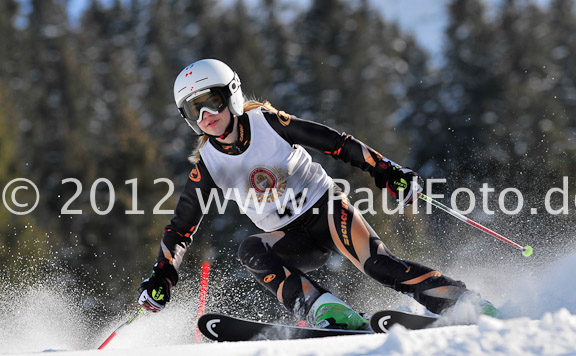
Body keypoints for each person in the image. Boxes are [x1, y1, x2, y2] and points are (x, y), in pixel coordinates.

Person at [137, 59, 496, 330]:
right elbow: (181, 228)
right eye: (192, 110)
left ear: (231, 95)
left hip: (326, 211)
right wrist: (162, 276)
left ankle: (464, 302)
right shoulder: (209, 164)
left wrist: (387, 172)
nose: (205, 115)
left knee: (379, 265)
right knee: (250, 249)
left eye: (211, 102)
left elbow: (337, 144)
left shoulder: (268, 123)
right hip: (291, 239)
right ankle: (327, 311)